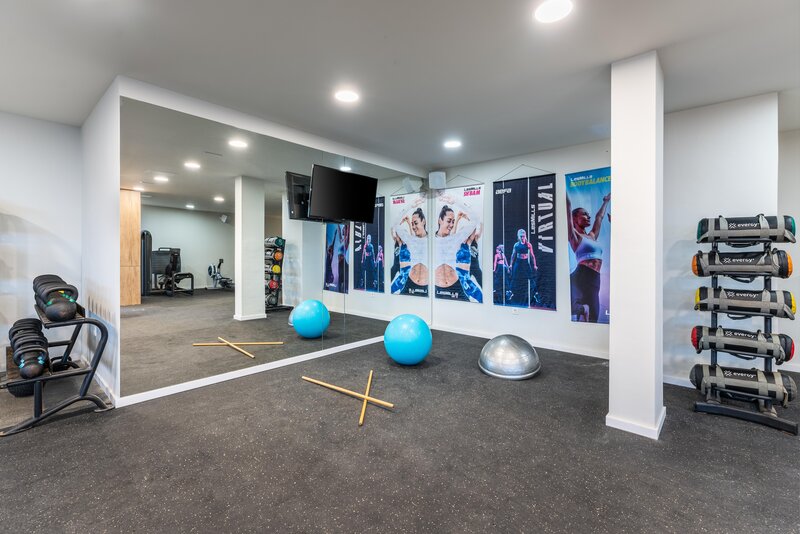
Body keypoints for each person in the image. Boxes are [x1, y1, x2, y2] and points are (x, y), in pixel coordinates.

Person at [566, 192, 610, 322]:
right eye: (584, 214)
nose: (588, 216)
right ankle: (582, 309)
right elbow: (568, 207)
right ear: (574, 218)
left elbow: (599, 217)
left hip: (595, 278)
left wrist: (606, 201)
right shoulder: (574, 235)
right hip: (581, 276)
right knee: (571, 306)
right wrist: (563, 190)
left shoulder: (592, 236)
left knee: (594, 317)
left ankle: (583, 313)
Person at [434, 197, 483, 303]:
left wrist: (456, 201)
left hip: (457, 287)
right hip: (437, 290)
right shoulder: (430, 241)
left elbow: (475, 219)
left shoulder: (456, 239)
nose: (451, 225)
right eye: (449, 221)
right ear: (440, 220)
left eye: (453, 222)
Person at [390, 200, 429, 295]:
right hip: (409, 282)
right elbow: (395, 225)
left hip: (425, 287)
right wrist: (410, 205)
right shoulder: (410, 240)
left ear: (423, 221)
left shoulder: (431, 240)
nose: (414, 227)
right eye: (412, 224)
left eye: (416, 223)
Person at [508, 229, 538, 306]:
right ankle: (510, 292)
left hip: (525, 262)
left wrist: (534, 265)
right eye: (521, 236)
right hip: (518, 262)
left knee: (531, 278)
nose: (522, 238)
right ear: (519, 236)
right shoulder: (516, 245)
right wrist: (511, 264)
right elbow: (513, 255)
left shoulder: (528, 245)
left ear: (525, 236)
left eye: (523, 236)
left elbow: (532, 256)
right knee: (514, 277)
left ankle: (535, 294)